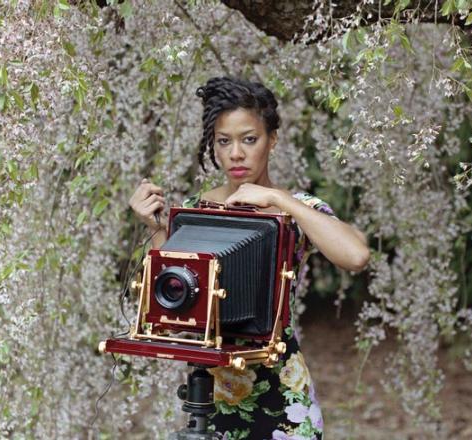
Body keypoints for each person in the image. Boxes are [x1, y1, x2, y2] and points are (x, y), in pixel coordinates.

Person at [129, 77, 370, 440]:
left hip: (283, 397)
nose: (236, 154)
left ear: (272, 140)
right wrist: (154, 227)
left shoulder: (297, 210)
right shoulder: (195, 211)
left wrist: (282, 201)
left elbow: (356, 255)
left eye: (249, 139)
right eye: (224, 141)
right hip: (210, 394)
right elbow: (171, 313)